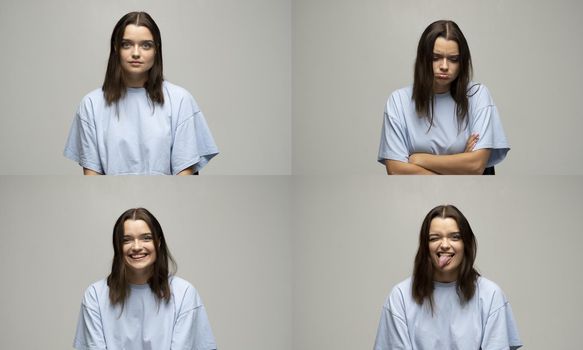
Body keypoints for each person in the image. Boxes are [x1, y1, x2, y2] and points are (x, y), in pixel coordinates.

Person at [64, 12, 218, 175]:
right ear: (116, 48)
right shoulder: (91, 104)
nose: (136, 53)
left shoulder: (180, 100)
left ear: (156, 50)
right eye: (127, 44)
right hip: (109, 200)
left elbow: (185, 176)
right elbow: (92, 177)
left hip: (168, 200)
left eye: (146, 45)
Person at [374, 204, 522, 349]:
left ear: (466, 244)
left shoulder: (491, 295)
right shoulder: (400, 297)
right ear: (425, 247)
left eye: (455, 237)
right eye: (434, 238)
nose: (444, 245)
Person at [73, 208, 217, 350]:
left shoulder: (184, 294)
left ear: (158, 242)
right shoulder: (95, 296)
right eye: (127, 240)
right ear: (118, 246)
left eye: (146, 238)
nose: (136, 247)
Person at [378, 20, 509, 175]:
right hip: (418, 192)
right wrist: (460, 162)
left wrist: (419, 159)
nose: (444, 66)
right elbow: (396, 170)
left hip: (467, 193)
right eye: (435, 57)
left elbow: (475, 165)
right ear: (423, 58)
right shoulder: (398, 101)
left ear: (462, 62)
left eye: (453, 59)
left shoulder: (477, 95)